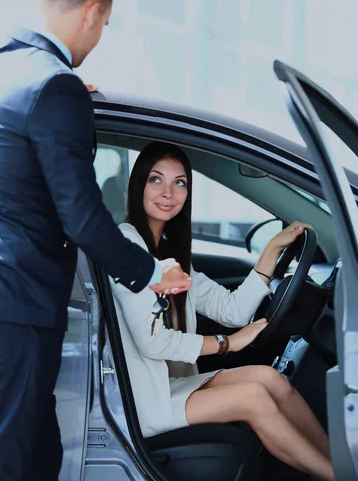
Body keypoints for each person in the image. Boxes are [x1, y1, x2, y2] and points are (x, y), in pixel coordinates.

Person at [0, 0, 191, 481]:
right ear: (91, 11)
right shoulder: (53, 87)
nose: (100, 34)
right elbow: (82, 218)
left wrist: (65, 106)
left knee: (36, 455)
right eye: (105, 23)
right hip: (18, 308)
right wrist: (154, 274)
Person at [111, 141, 335, 481]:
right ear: (137, 184)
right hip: (144, 401)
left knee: (268, 378)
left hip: (172, 385)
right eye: (156, 180)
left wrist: (272, 249)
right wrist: (227, 344)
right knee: (253, 397)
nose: (168, 192)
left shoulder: (171, 252)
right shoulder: (127, 246)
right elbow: (152, 343)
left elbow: (231, 310)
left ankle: (342, 464)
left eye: (180, 182)